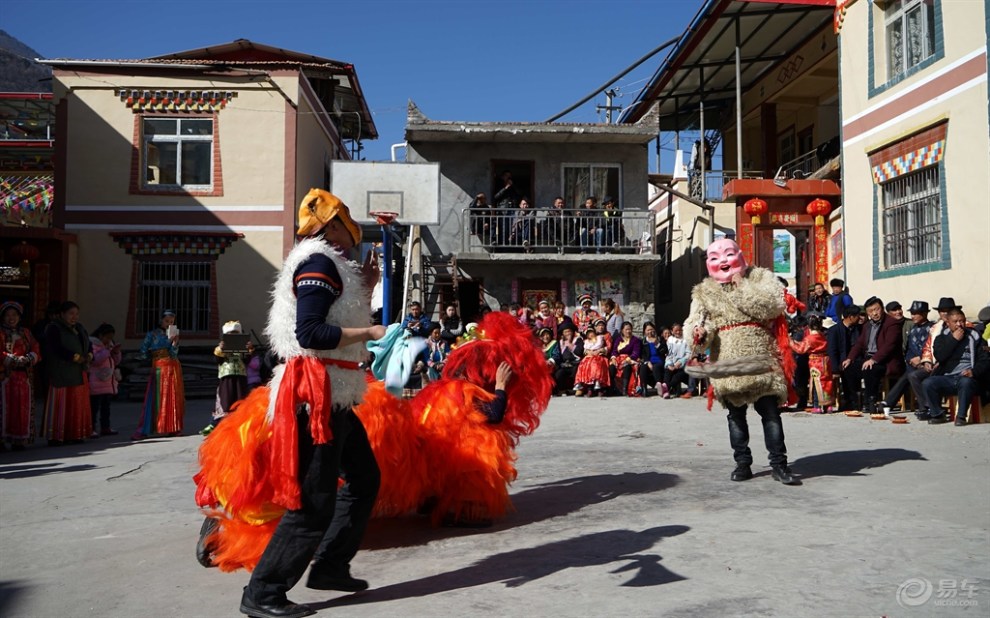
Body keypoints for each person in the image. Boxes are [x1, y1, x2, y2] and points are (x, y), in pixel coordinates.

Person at [194, 189, 386, 618]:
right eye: (346, 220)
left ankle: (331, 566)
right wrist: (369, 334)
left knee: (364, 478)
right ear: (332, 224)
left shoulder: (330, 266)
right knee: (313, 500)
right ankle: (263, 591)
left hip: (334, 394)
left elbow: (333, 317)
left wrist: (368, 287)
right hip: (315, 397)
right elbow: (312, 334)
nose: (352, 228)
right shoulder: (318, 264)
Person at [684, 238, 799, 485]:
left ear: (740, 254)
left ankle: (779, 464)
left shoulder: (760, 277)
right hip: (727, 360)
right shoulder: (704, 291)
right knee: (735, 417)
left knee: (770, 414)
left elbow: (773, 306)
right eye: (715, 257)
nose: (723, 261)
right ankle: (742, 463)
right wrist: (700, 333)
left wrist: (742, 286)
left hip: (761, 356)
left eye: (728, 254)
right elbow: (697, 324)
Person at [919, 307, 990, 425]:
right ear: (948, 323)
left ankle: (961, 417)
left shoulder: (975, 337)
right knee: (928, 383)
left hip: (968, 377)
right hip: (948, 377)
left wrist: (973, 372)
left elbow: (985, 360)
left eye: (962, 321)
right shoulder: (941, 338)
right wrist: (953, 340)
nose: (959, 325)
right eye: (955, 322)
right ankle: (937, 414)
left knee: (965, 382)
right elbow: (940, 357)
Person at [42, 301, 93, 446]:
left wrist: (89, 355)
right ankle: (57, 436)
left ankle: (75, 434)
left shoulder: (79, 328)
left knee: (76, 402)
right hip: (61, 371)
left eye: (77, 314)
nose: (74, 317)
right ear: (62, 314)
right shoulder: (53, 328)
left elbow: (88, 344)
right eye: (71, 313)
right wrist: (74, 357)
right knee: (61, 403)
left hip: (78, 371)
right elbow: (55, 348)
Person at [842, 296, 904, 413]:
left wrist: (874, 359)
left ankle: (870, 400)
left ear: (882, 308)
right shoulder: (867, 325)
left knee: (870, 368)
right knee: (848, 368)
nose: (874, 313)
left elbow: (889, 346)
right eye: (871, 311)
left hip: (886, 361)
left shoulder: (892, 323)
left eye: (877, 309)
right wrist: (850, 358)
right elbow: (859, 344)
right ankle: (855, 399)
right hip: (869, 358)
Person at [132, 310, 184, 440]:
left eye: (172, 322)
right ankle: (145, 429)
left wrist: (174, 343)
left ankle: (173, 427)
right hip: (158, 368)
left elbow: (173, 354)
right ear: (161, 320)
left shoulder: (172, 334)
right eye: (167, 321)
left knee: (172, 398)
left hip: (172, 368)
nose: (169, 324)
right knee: (154, 398)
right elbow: (143, 352)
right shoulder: (152, 334)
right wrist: (151, 354)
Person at [880, 300, 934, 415]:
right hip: (912, 364)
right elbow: (909, 349)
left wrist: (921, 359)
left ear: (924, 314)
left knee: (910, 376)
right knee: (908, 374)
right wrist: (910, 360)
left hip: (928, 363)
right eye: (912, 313)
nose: (913, 316)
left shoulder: (932, 329)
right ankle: (888, 403)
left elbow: (933, 347)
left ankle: (923, 407)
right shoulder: (914, 329)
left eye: (916, 313)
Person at [0, 301, 41, 450]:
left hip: (24, 377)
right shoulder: (0, 333)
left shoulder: (26, 333)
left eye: (15, 315)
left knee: (21, 408)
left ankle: (19, 439)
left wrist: (30, 357)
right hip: (5, 377)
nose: (11, 318)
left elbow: (36, 347)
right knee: (4, 408)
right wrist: (11, 359)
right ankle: (2, 440)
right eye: (8, 315)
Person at [204, 320, 251, 435]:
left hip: (240, 376)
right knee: (226, 400)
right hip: (227, 377)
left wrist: (249, 349)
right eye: (230, 334)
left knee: (240, 399)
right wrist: (221, 349)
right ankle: (221, 424)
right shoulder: (221, 347)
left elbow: (247, 360)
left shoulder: (243, 347)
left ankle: (240, 423)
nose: (233, 337)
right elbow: (217, 360)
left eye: (236, 334)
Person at [789, 314, 833, 413]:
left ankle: (817, 406)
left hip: (815, 362)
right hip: (825, 361)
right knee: (826, 382)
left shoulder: (810, 338)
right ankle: (828, 405)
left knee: (816, 383)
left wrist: (791, 342)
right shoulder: (822, 335)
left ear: (808, 326)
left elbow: (800, 349)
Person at [87, 323, 122, 437]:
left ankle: (105, 427)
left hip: (108, 381)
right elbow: (96, 360)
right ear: (101, 335)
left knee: (106, 407)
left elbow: (115, 362)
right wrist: (107, 350)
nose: (109, 340)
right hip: (96, 381)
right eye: (107, 337)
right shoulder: (93, 344)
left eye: (111, 337)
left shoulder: (109, 345)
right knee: (94, 407)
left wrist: (116, 352)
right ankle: (91, 428)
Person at [828, 304, 862, 410]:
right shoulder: (834, 330)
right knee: (847, 370)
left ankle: (857, 400)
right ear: (850, 317)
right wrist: (835, 370)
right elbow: (832, 351)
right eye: (857, 316)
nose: (860, 318)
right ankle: (850, 400)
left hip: (857, 361)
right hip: (841, 363)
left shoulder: (859, 329)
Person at [573, 326, 610, 397]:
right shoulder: (586, 342)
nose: (591, 335)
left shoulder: (600, 338)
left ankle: (599, 386)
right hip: (589, 357)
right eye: (588, 334)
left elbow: (604, 347)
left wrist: (599, 351)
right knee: (584, 364)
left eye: (591, 333)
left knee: (596, 364)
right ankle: (589, 388)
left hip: (599, 357)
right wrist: (588, 352)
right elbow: (585, 351)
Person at [609, 321, 642, 396]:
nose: (628, 331)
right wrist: (613, 358)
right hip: (618, 359)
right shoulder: (618, 340)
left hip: (630, 359)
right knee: (612, 367)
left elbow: (636, 353)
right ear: (622, 330)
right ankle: (612, 388)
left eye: (629, 329)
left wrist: (627, 359)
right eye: (626, 329)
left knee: (627, 367)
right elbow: (614, 351)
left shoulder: (635, 340)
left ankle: (624, 389)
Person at [662, 323, 692, 399]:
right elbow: (669, 354)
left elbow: (688, 354)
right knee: (667, 371)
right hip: (673, 363)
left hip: (684, 365)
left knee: (677, 376)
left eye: (680, 330)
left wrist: (680, 362)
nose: (678, 332)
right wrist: (669, 364)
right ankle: (666, 392)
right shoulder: (670, 340)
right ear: (672, 331)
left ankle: (666, 388)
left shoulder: (686, 340)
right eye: (676, 330)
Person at [554, 323, 583, 395]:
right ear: (562, 333)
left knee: (575, 371)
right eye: (565, 332)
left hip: (575, 363)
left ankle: (575, 389)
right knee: (559, 373)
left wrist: (570, 344)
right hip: (564, 364)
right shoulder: (560, 342)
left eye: (569, 331)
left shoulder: (578, 340)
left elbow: (579, 352)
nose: (568, 333)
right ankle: (562, 390)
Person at [639, 322, 667, 397]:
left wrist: (657, 344)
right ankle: (644, 389)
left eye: (651, 329)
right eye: (648, 330)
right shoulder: (643, 341)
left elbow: (664, 351)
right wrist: (647, 362)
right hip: (649, 361)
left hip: (659, 361)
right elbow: (642, 354)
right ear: (644, 331)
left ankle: (659, 386)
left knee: (656, 367)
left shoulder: (660, 339)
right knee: (643, 367)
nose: (650, 332)